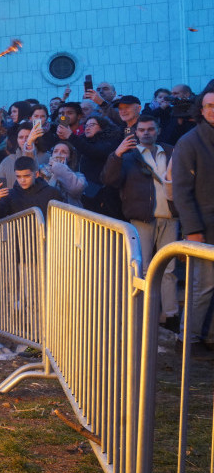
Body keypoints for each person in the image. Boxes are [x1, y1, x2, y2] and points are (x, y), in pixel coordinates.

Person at [101, 114, 179, 326]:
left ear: (158, 130)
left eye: (150, 129)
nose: (146, 133)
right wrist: (117, 154)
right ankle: (144, 315)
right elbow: (109, 180)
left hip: (170, 217)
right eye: (142, 130)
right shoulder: (127, 156)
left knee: (169, 270)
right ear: (135, 132)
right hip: (141, 217)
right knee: (142, 269)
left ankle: (170, 314)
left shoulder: (172, 152)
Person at [171, 86, 214, 347]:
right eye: (210, 106)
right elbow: (182, 192)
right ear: (201, 109)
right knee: (203, 286)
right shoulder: (189, 142)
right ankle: (189, 337)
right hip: (204, 227)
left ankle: (209, 336)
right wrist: (193, 230)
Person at [0, 156, 63, 221]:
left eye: (27, 176)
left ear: (36, 174)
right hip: (20, 237)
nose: (22, 180)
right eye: (18, 176)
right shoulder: (10, 195)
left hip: (47, 237)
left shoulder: (52, 193)